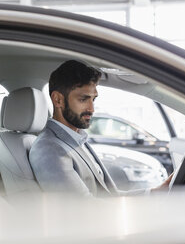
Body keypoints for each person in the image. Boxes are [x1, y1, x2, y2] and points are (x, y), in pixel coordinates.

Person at [29, 60, 171, 197]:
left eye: (93, 99)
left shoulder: (77, 140)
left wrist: (155, 192)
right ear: (58, 100)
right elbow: (83, 211)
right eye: (83, 99)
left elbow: (109, 196)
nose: (91, 109)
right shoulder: (49, 150)